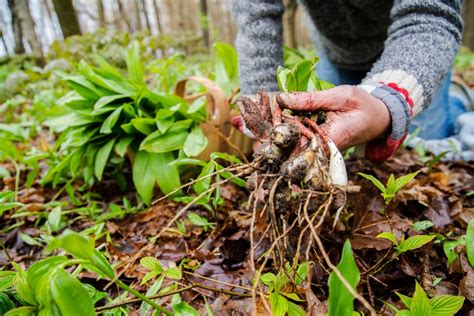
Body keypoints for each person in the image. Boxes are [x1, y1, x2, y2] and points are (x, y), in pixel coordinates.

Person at [231, 0, 472, 163]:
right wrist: (261, 106)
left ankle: (457, 100)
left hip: (414, 48)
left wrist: (388, 98)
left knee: (423, 146)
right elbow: (255, 16)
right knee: (328, 138)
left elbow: (430, 15)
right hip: (336, 50)